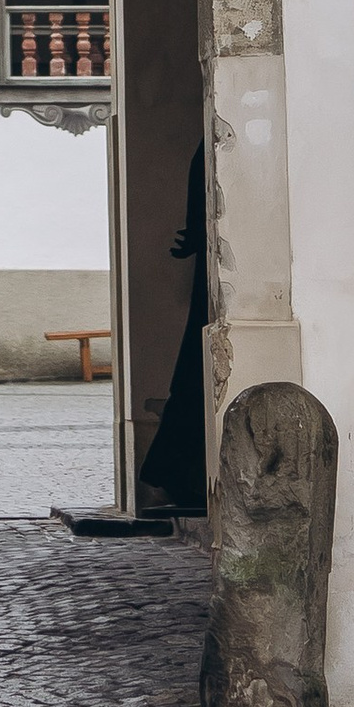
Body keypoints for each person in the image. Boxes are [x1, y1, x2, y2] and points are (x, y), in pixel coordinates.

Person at [137, 142, 209, 517]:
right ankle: (175, 475)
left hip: (207, 270)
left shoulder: (205, 148)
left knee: (193, 375)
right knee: (193, 376)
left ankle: (174, 475)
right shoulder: (207, 147)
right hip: (208, 271)